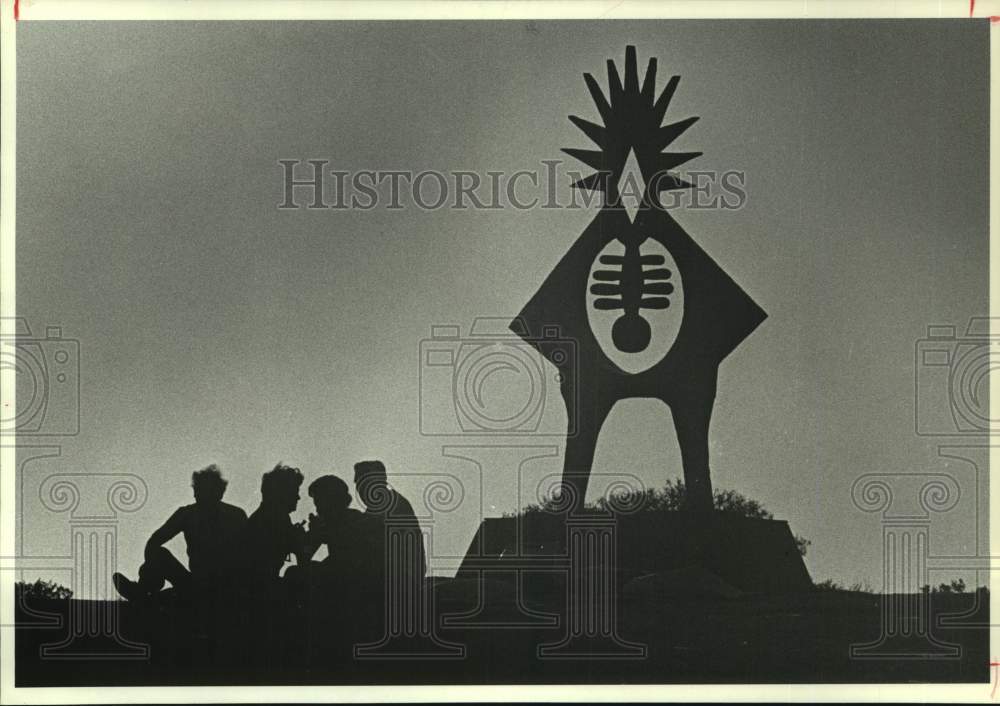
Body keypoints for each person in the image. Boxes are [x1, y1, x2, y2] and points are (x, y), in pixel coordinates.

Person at [113, 464, 247, 601]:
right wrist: (151, 573)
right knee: (159, 554)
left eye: (201, 490)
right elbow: (154, 543)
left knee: (168, 593)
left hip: (224, 586)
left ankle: (143, 592)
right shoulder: (189, 514)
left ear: (217, 492)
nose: (195, 494)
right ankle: (144, 590)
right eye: (196, 490)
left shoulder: (234, 516)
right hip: (200, 584)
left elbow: (249, 552)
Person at [236, 463, 310, 592]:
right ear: (281, 494)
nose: (298, 497)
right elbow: (303, 558)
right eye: (294, 492)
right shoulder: (275, 520)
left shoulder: (271, 517)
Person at [353, 460, 426, 583]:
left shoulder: (393, 505)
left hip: (400, 575)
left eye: (365, 483)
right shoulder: (377, 507)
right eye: (359, 484)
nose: (361, 489)